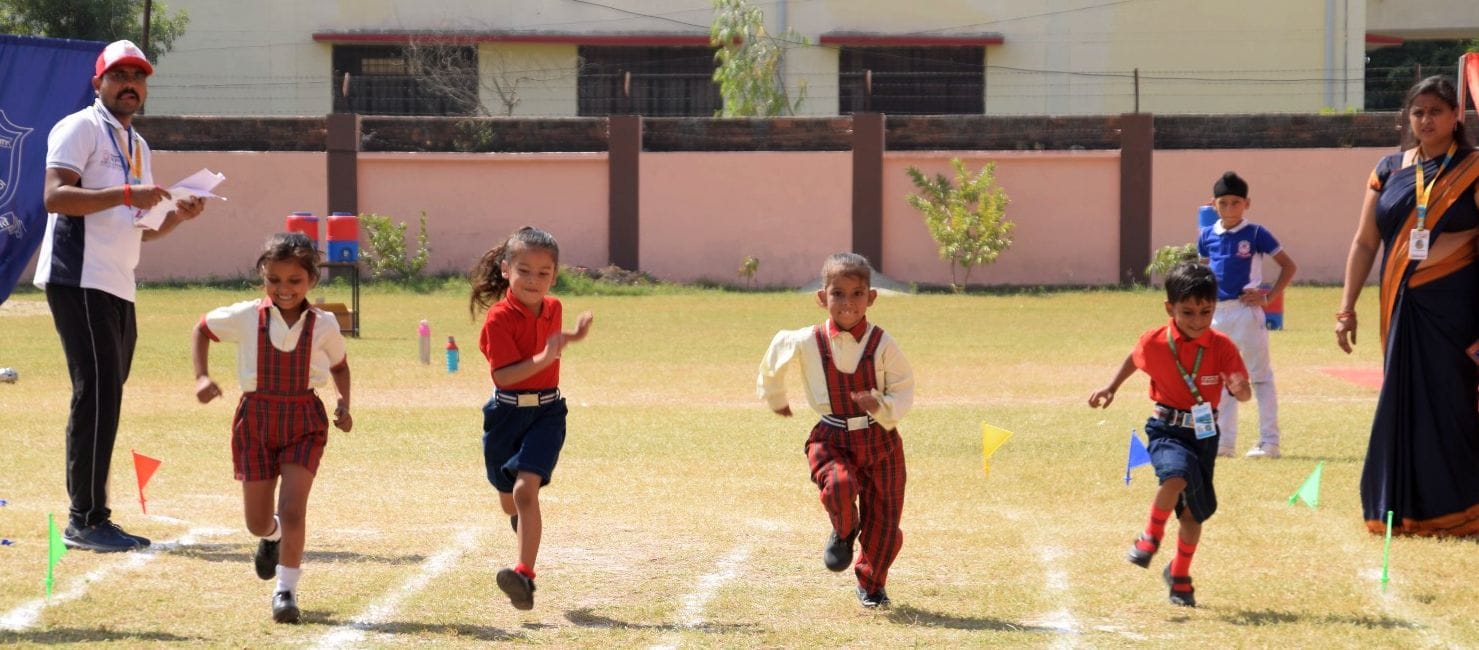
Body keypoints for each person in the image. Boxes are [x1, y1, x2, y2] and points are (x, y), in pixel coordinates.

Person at [32, 39, 207, 553]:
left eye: (139, 76)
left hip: (117, 282)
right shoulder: (80, 127)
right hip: (78, 278)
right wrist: (129, 193)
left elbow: (138, 227)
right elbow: (55, 197)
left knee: (107, 394)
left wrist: (176, 215)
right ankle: (85, 519)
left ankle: (91, 515)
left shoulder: (138, 144)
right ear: (98, 83)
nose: (130, 84)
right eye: (119, 75)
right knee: (97, 394)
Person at [1336, 75, 1479, 537]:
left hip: (1455, 310)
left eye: (1436, 111)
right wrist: (1346, 308)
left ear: (1456, 115)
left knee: (1452, 403)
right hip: (1400, 304)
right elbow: (1364, 242)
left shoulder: (1473, 168)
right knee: (1401, 401)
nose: (1426, 120)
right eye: (1418, 112)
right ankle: (1401, 508)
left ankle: (1462, 510)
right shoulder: (1388, 169)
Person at [191, 233, 352, 623]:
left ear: (311, 279)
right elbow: (202, 329)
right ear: (263, 276)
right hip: (256, 422)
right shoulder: (245, 316)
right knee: (257, 522)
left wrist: (344, 403)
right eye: (274, 280)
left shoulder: (324, 324)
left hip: (303, 422)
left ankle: (286, 592)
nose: (284, 288)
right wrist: (202, 377)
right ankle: (271, 536)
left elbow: (340, 366)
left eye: (295, 280)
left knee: (293, 510)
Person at [757, 252, 914, 609]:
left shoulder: (882, 344)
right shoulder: (807, 340)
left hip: (881, 440)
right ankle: (844, 530)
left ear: (871, 297)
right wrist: (776, 397)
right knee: (839, 485)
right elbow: (775, 357)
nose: (847, 303)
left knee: (885, 525)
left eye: (857, 294)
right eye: (837, 293)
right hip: (831, 436)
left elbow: (904, 387)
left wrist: (881, 404)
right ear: (821, 297)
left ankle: (872, 585)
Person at [1089, 262, 1250, 607]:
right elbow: (1135, 358)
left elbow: (1244, 392)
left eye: (1206, 312)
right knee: (1175, 476)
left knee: (1194, 515)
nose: (1197, 320)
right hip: (1166, 428)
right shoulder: (1155, 341)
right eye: (1187, 312)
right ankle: (1150, 536)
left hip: (1204, 435)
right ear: (1170, 308)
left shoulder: (1222, 346)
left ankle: (1179, 574)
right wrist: (1111, 387)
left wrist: (1240, 388)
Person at [470, 226, 593, 611]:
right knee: (510, 502)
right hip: (505, 415)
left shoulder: (554, 307)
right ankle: (522, 523)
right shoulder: (498, 319)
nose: (533, 280)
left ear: (554, 276)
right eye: (524, 270)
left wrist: (571, 338)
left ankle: (523, 575)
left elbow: (549, 346)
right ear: (506, 269)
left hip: (547, 413)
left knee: (526, 491)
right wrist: (546, 356)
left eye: (543, 273)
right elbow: (504, 376)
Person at [1197, 171, 1297, 459]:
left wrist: (1268, 297)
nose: (1230, 208)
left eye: (1236, 202)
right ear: (1213, 204)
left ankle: (1269, 442)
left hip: (1245, 312)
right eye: (1223, 203)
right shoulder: (1206, 235)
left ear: (1247, 203)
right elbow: (1203, 273)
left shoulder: (1255, 234)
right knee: (1219, 376)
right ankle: (1222, 443)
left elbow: (1288, 266)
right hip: (1216, 315)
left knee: (1260, 376)